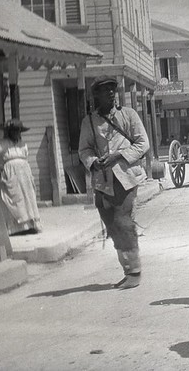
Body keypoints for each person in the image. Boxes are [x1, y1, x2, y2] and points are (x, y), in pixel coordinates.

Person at [79, 76, 149, 289]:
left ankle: (134, 272)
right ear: (96, 96)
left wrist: (118, 156)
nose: (110, 93)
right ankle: (128, 270)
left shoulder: (128, 115)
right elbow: (85, 149)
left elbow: (142, 143)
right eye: (104, 90)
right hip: (102, 180)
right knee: (112, 224)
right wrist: (93, 162)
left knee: (123, 221)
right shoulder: (89, 121)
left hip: (126, 177)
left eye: (112, 89)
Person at [0, 119, 42, 235]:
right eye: (14, 131)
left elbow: (25, 157)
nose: (16, 133)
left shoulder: (23, 144)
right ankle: (17, 228)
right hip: (11, 174)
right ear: (8, 132)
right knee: (15, 198)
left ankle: (31, 225)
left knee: (28, 197)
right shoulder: (1, 145)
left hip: (24, 173)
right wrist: (1, 167)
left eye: (18, 131)